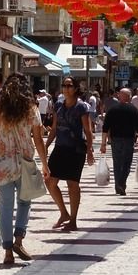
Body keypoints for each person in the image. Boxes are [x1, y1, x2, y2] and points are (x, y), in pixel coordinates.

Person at [0, 73, 50, 265]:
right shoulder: (31, 110)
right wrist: (45, 164)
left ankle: (7, 252)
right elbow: (38, 139)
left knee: (5, 207)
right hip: (25, 162)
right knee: (24, 202)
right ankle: (18, 241)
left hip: (3, 163)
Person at [46, 76, 95, 231]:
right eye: (64, 85)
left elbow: (88, 130)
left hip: (75, 149)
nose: (66, 88)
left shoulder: (82, 107)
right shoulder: (58, 105)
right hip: (60, 148)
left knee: (72, 185)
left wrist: (89, 151)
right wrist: (46, 145)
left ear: (75, 89)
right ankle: (63, 213)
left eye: (69, 86)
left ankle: (73, 219)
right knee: (50, 182)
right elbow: (54, 128)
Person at [100, 88, 138, 195]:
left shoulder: (112, 109)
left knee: (117, 163)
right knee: (126, 164)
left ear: (120, 96)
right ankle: (122, 183)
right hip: (129, 140)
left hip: (115, 140)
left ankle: (118, 185)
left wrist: (103, 144)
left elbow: (105, 128)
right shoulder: (133, 110)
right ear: (129, 97)